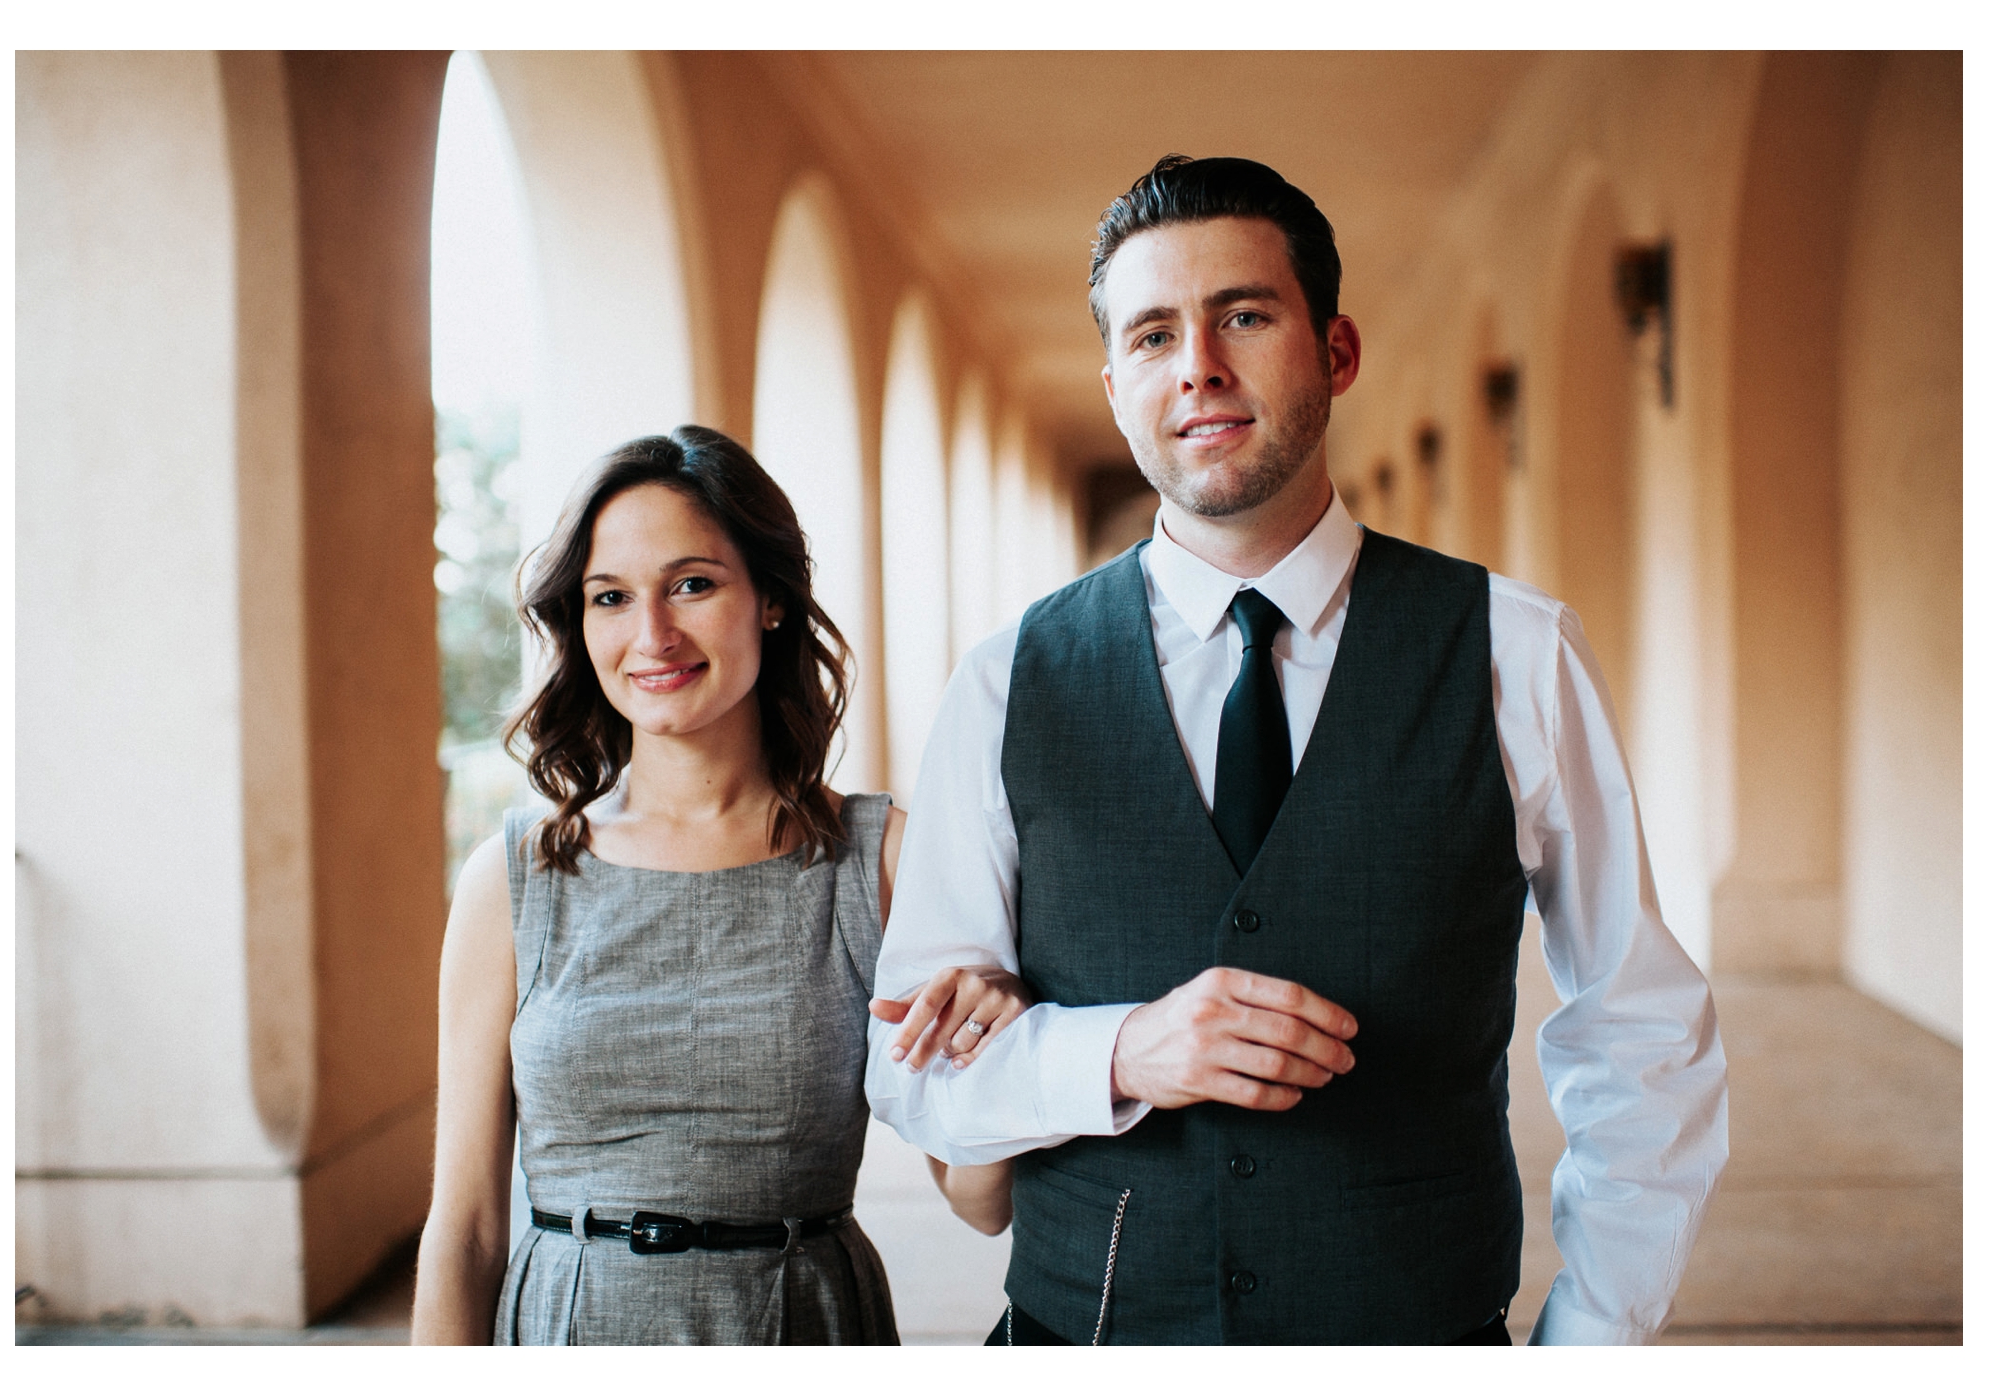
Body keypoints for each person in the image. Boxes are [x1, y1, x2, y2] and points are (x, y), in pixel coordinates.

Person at [866, 155, 1730, 1345]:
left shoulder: (1510, 652)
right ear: (1116, 383)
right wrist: (1122, 1048)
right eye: (1154, 334)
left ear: (1335, 352)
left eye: (1244, 316)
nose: (1199, 368)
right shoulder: (1008, 681)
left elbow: (1637, 1029)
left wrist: (1589, 1341)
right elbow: (912, 1072)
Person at [412, 427, 1027, 1344]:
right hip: (569, 1334)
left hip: (801, 1325)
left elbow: (978, 1204)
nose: (652, 634)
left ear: (770, 600)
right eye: (611, 597)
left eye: (692, 584)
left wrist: (1001, 1049)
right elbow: (463, 1230)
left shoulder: (882, 859)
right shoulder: (515, 878)